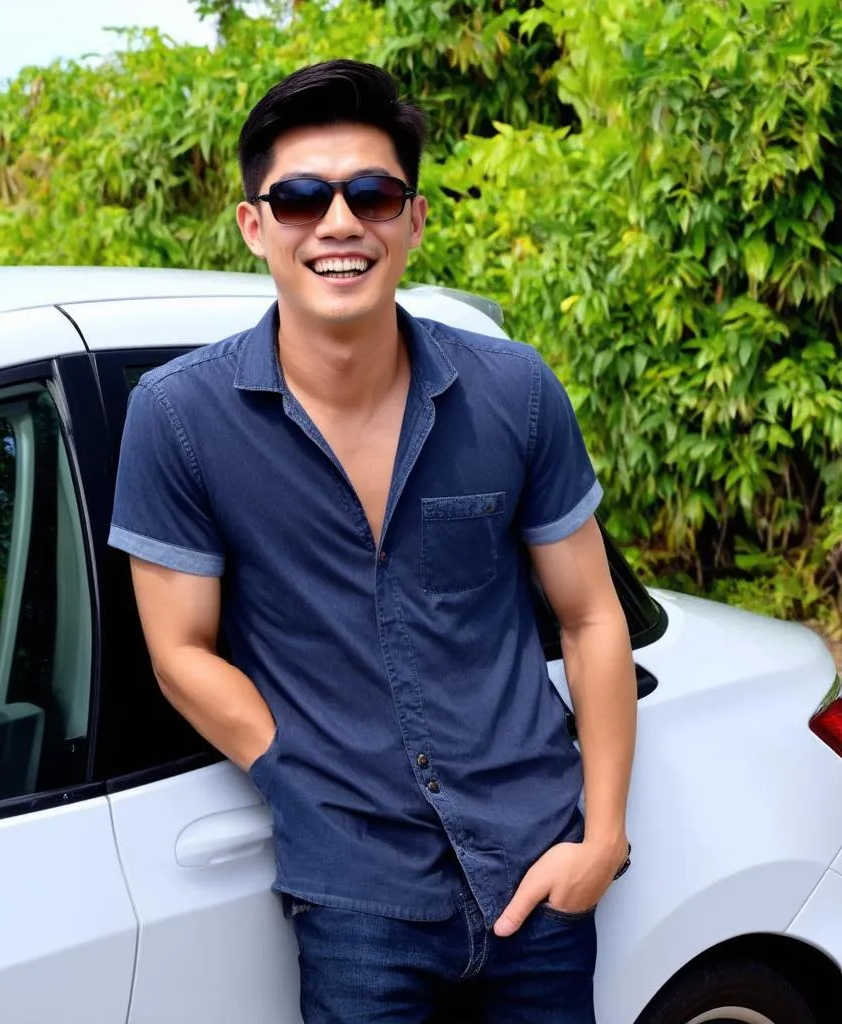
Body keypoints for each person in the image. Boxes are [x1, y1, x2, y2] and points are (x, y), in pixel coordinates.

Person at [109, 58, 637, 1024]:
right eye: (302, 198)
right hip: (358, 904)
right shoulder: (179, 419)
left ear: (414, 220)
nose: (340, 224)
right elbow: (179, 651)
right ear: (254, 225)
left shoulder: (513, 392)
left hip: (540, 876)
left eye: (373, 194)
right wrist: (303, 780)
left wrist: (602, 840)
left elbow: (592, 613)